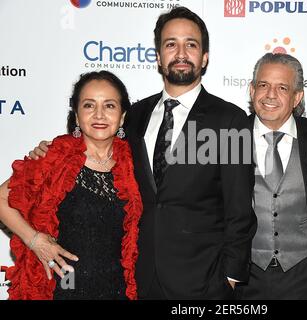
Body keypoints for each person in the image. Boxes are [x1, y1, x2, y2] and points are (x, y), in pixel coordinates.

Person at [29, 7, 256, 299]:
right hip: (138, 280)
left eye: (191, 44)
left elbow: (240, 210)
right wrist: (49, 152)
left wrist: (229, 278)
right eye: (171, 44)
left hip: (204, 283)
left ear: (205, 57)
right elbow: (92, 153)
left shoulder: (230, 120)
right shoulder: (134, 116)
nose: (181, 52)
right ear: (159, 57)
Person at [0, 71, 142, 299]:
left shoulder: (138, 165)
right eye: (88, 105)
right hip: (63, 289)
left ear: (122, 116)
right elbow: (2, 199)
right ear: (76, 116)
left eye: (109, 106)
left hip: (120, 291)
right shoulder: (54, 157)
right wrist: (34, 239)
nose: (99, 114)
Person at [235, 52, 307, 300]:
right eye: (263, 85)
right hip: (243, 272)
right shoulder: (230, 134)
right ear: (252, 90)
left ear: (297, 97)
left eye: (282, 87)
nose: (271, 94)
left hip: (304, 274)